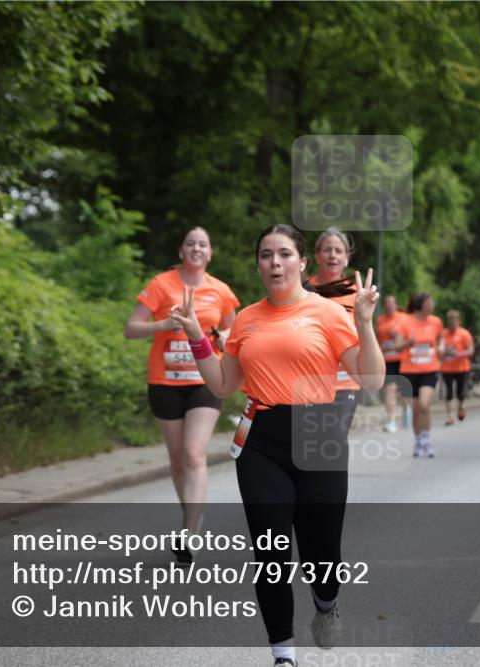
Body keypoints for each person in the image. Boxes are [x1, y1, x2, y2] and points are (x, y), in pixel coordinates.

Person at [169, 224, 384, 667]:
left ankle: (326, 603)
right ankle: (282, 655)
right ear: (258, 264)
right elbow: (224, 385)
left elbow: (372, 378)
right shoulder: (246, 318)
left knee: (322, 552)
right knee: (271, 551)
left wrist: (363, 322)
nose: (275, 263)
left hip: (319, 436)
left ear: (302, 262)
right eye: (266, 255)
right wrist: (196, 336)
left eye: (284, 254)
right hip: (262, 439)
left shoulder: (328, 313)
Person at [125, 227, 239, 563]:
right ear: (181, 251)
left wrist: (221, 339)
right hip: (165, 380)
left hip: (206, 378)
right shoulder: (162, 284)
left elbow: (235, 333)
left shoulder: (220, 291)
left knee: (193, 453)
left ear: (210, 252)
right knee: (177, 458)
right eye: (190, 243)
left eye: (203, 244)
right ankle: (193, 514)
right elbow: (131, 329)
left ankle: (189, 532)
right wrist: (163, 326)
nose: (197, 248)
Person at [310, 227, 362, 433]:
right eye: (327, 250)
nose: (333, 255)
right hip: (307, 381)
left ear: (347, 258)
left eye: (339, 251)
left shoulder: (357, 292)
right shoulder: (302, 289)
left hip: (344, 382)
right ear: (317, 255)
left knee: (334, 439)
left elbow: (364, 334)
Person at [395, 293, 444, 457]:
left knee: (424, 404)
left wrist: (441, 348)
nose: (433, 305)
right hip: (410, 370)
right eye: (430, 303)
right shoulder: (404, 321)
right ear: (420, 305)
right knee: (416, 409)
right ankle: (418, 442)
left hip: (430, 369)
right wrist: (408, 342)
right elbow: (397, 347)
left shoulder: (436, 322)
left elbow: (441, 339)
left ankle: (426, 440)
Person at [376, 295, 408, 433]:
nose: (389, 305)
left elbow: (411, 336)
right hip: (387, 360)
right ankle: (391, 420)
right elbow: (378, 339)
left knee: (402, 393)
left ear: (396, 305)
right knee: (389, 390)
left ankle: (407, 411)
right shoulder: (380, 320)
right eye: (387, 303)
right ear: (384, 306)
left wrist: (397, 337)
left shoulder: (403, 318)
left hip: (402, 359)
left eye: (391, 303)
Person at [441, 309, 475, 426]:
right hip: (447, 368)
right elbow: (438, 350)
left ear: (458, 321)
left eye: (454, 321)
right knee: (449, 392)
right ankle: (450, 416)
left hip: (462, 368)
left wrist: (459, 354)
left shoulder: (464, 334)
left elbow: (471, 351)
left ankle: (461, 407)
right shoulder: (443, 334)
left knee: (460, 392)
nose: (452, 323)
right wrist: (445, 352)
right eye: (450, 321)